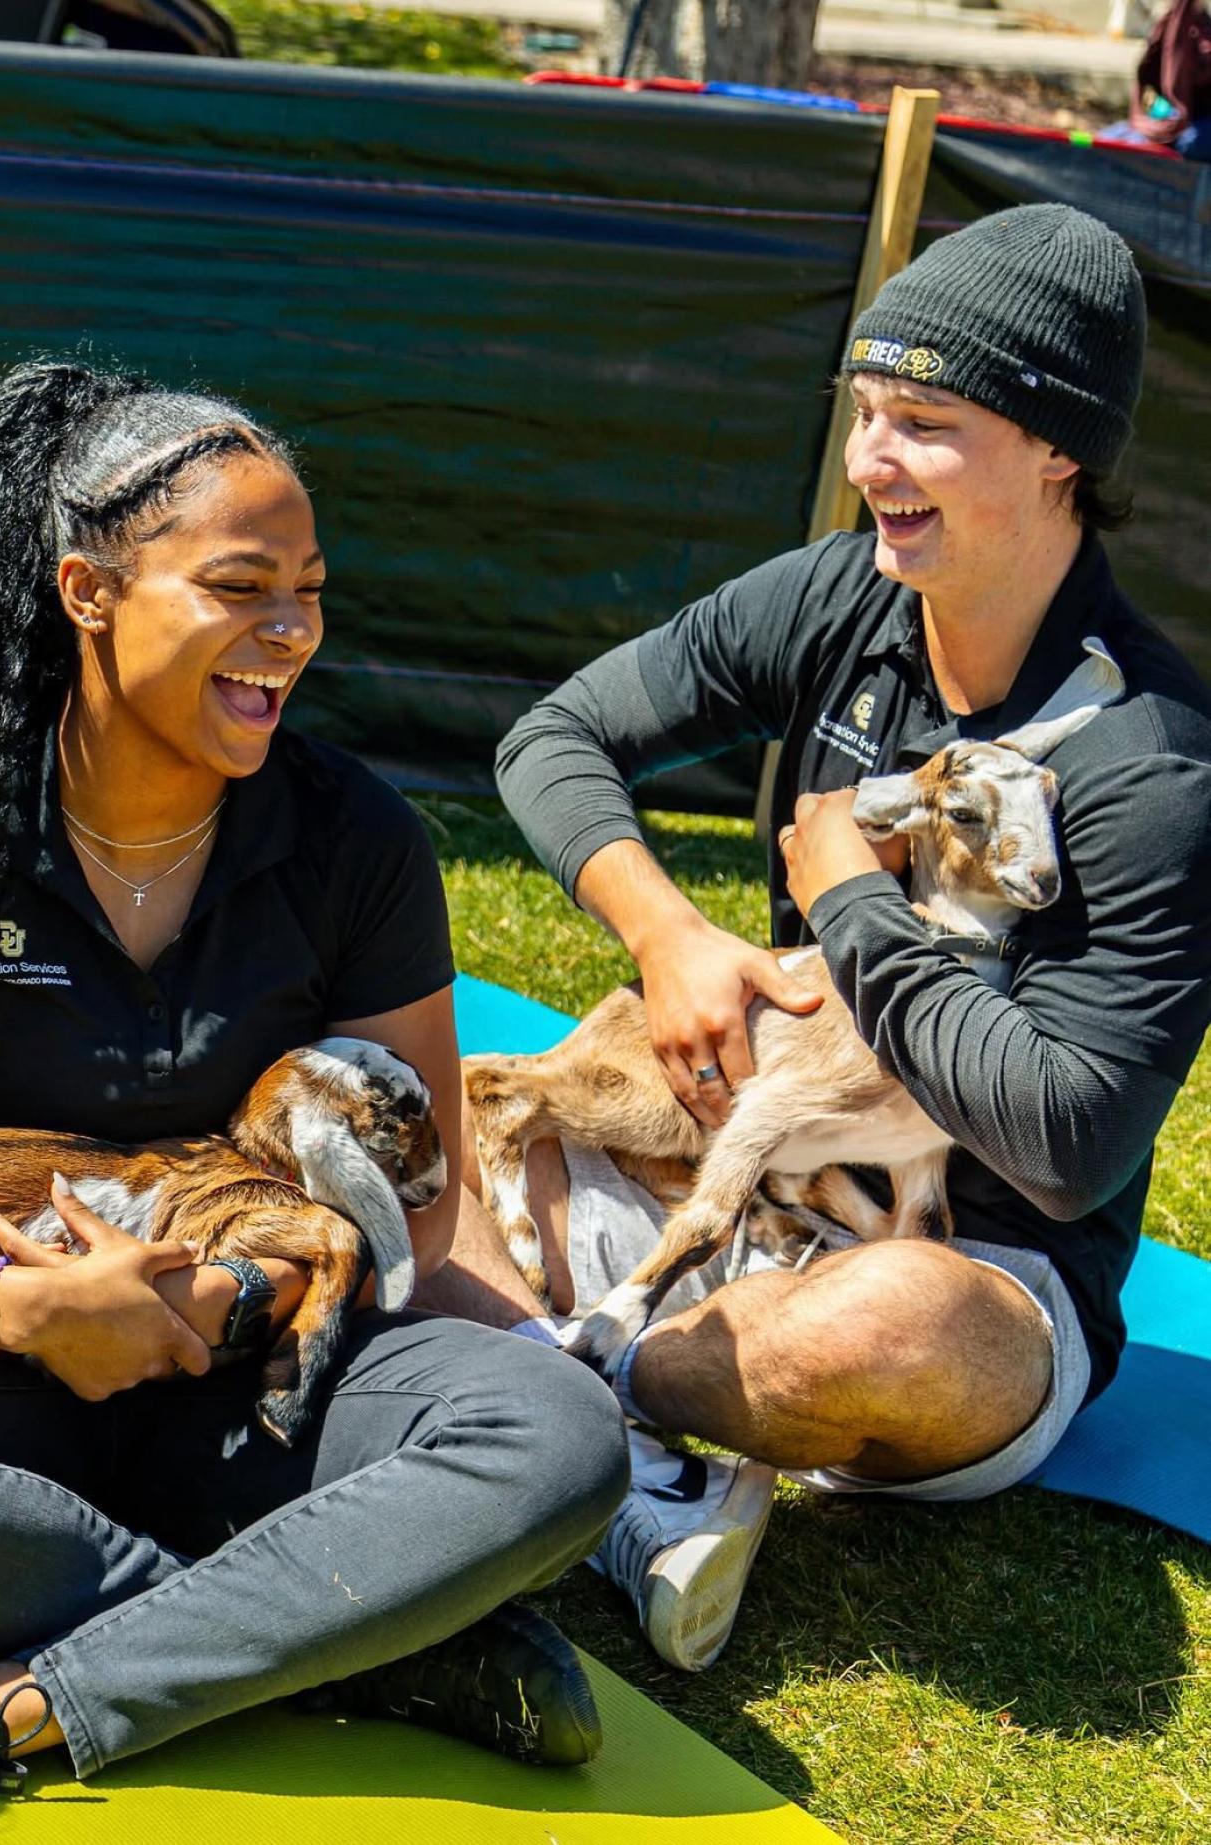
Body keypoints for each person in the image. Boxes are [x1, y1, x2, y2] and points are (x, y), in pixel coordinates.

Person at [0, 361, 629, 1842]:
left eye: (310, 591)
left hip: (261, 1390)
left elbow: (422, 1195)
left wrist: (224, 1295)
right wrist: (16, 1309)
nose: (291, 634)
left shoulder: (355, 840)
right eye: (241, 586)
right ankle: (366, 1635)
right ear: (88, 589)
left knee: (557, 1435)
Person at [425, 205, 1211, 1675]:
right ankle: (620, 1458)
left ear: (1060, 453)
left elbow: (1067, 1144)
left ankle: (547, 1389)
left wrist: (848, 897)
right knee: (400, 1101)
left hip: (955, 1263)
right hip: (742, 1169)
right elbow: (559, 735)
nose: (866, 465)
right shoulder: (848, 595)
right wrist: (668, 935)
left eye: (921, 423)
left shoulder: (1155, 765)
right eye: (862, 413)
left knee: (872, 1331)